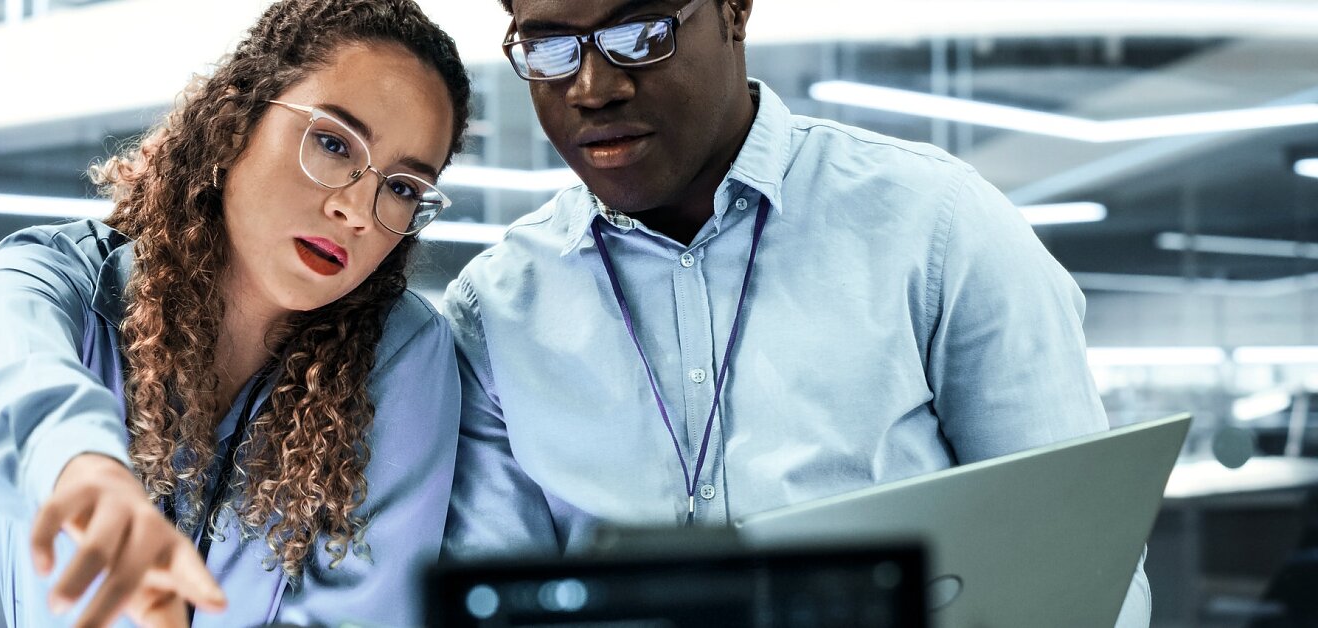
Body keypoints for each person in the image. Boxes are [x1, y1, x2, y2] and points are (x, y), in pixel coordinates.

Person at [441, 0, 1149, 624]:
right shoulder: (499, 306)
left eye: (639, 32)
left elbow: (1083, 561)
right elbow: (489, 600)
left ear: (735, 10)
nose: (592, 89)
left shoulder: (936, 228)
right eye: (548, 48)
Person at [0, 1, 471, 625]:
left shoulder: (404, 352)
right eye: (334, 143)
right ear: (239, 120)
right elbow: (25, 385)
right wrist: (87, 471)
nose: (359, 211)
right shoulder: (54, 277)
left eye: (402, 187)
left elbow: (367, 611)